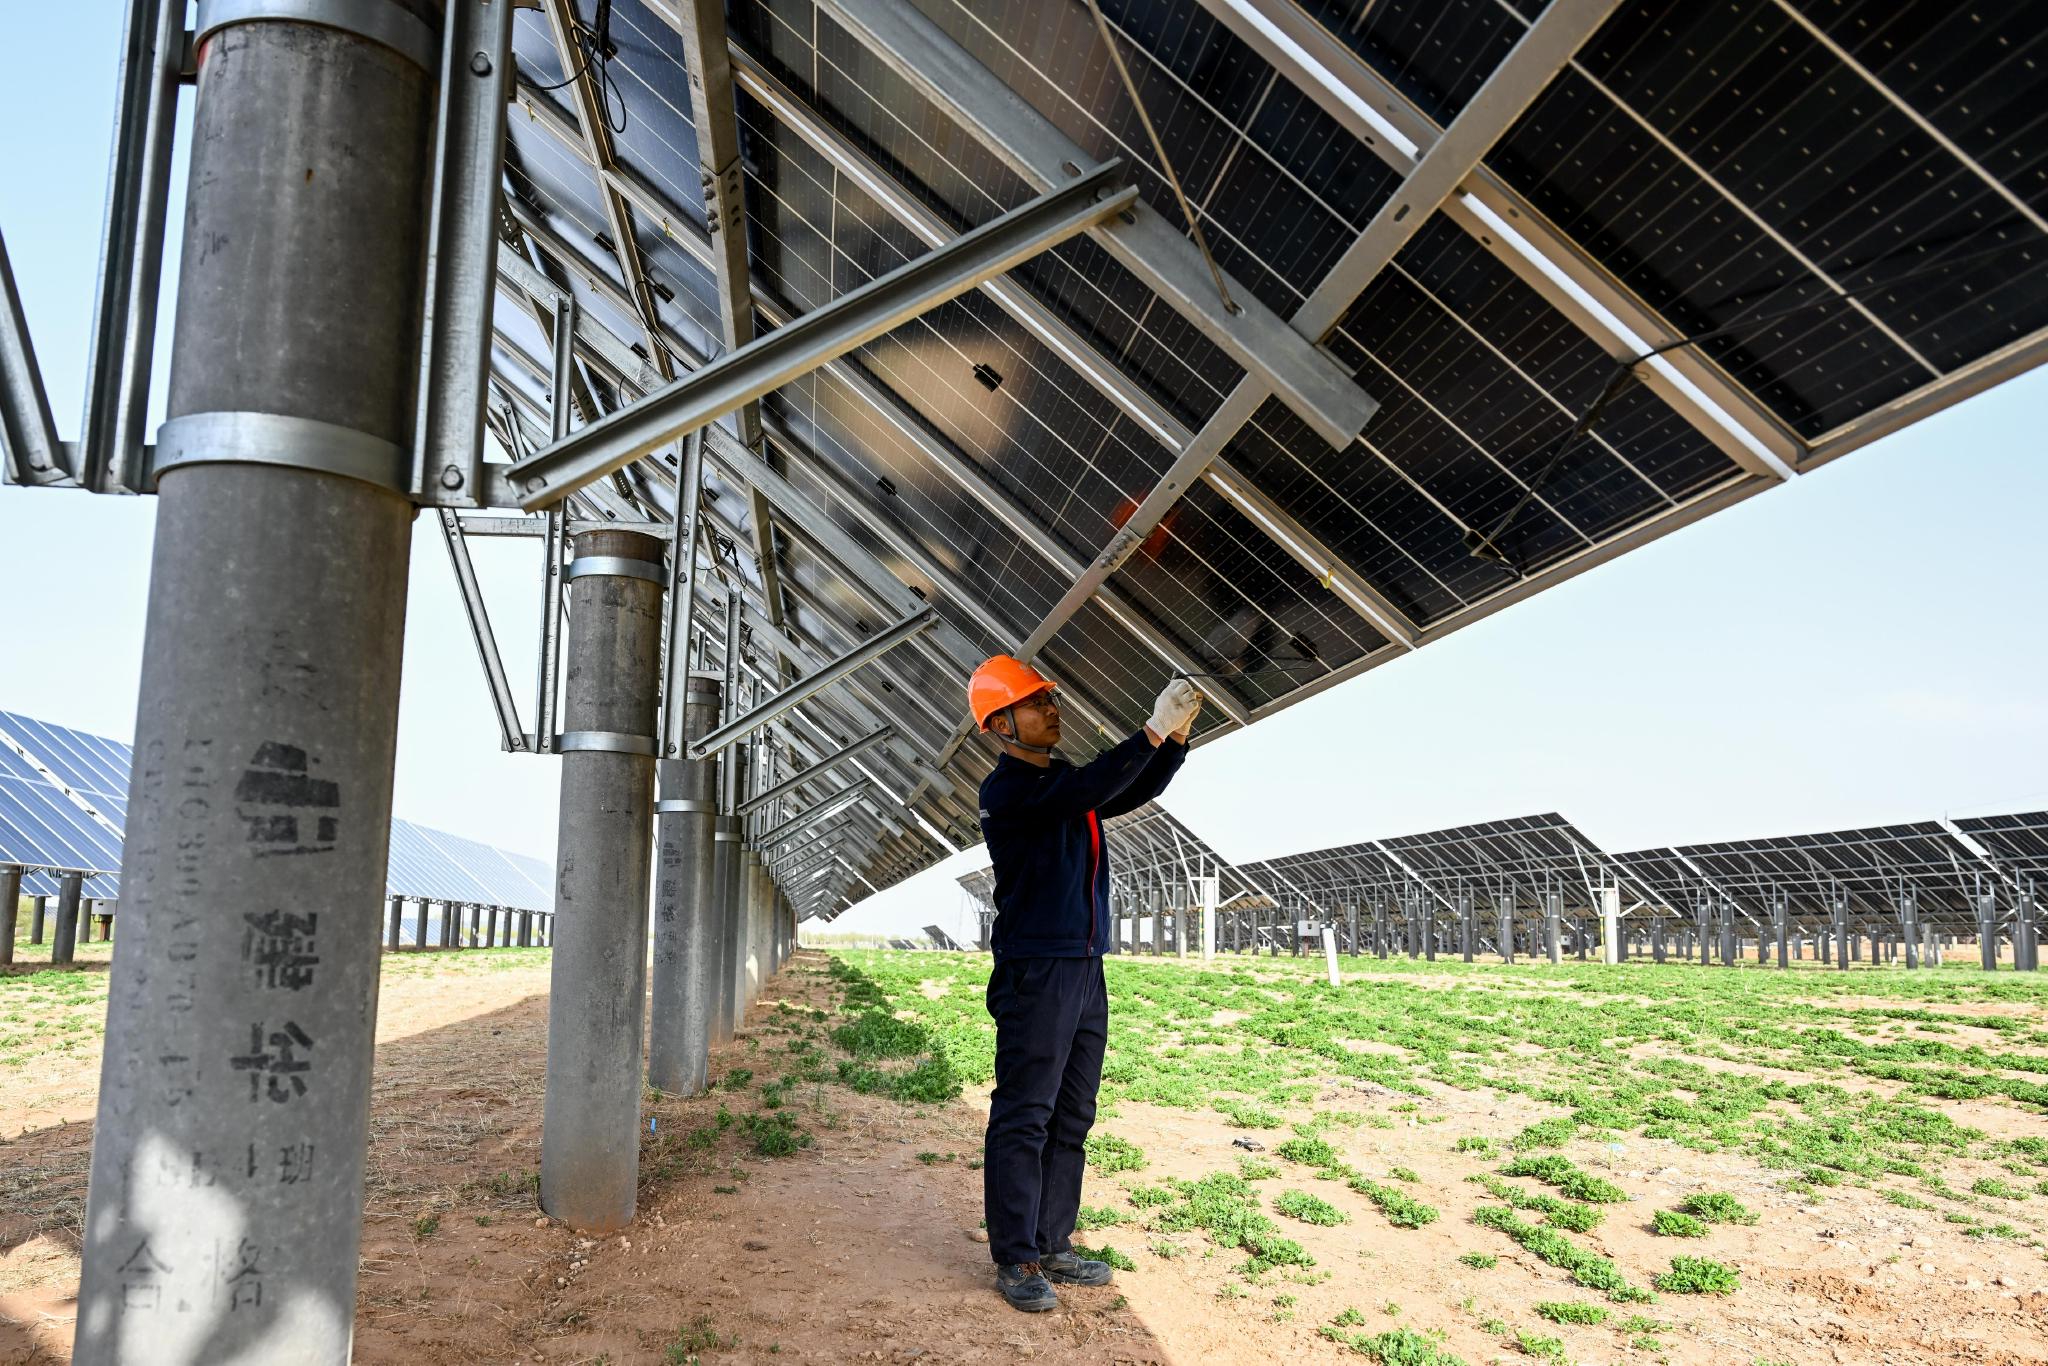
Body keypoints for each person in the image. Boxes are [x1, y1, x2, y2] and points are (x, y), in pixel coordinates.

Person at [967, 655, 1203, 1312]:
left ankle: (1052, 1239)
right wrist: (1150, 731)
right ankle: (1016, 1255)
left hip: (1083, 966)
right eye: (1034, 702)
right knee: (1026, 1113)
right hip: (1036, 972)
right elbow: (1094, 786)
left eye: (1049, 698)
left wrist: (1173, 740)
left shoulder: (1066, 783)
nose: (1051, 709)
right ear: (1000, 725)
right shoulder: (1010, 792)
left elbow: (1127, 788)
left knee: (1072, 1113)